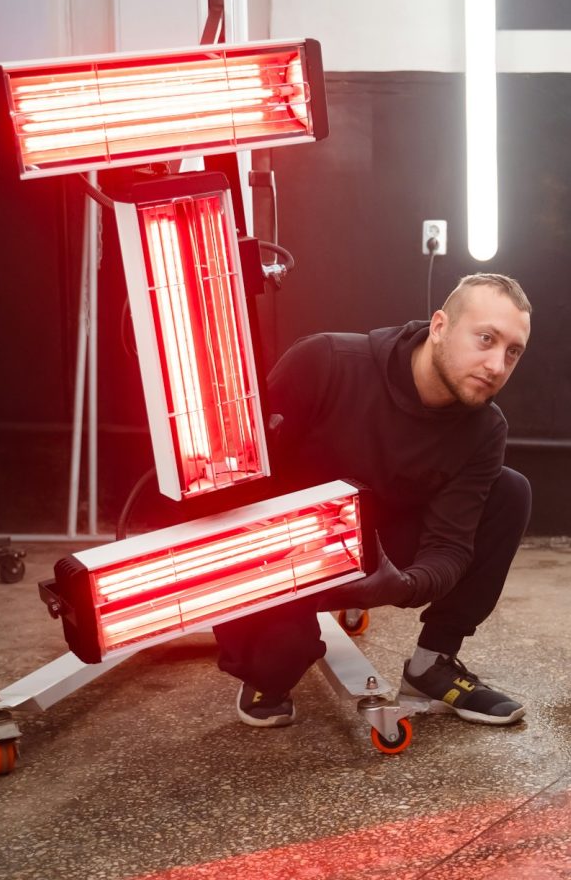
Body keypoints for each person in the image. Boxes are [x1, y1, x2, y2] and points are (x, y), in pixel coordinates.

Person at [213, 273, 533, 728]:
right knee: (276, 661)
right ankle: (274, 657)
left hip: (381, 551)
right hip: (286, 553)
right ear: (439, 326)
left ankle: (431, 666)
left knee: (510, 490)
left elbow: (450, 547)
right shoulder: (325, 361)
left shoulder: (484, 429)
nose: (497, 365)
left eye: (512, 352)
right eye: (485, 339)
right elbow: (242, 484)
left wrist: (401, 585)